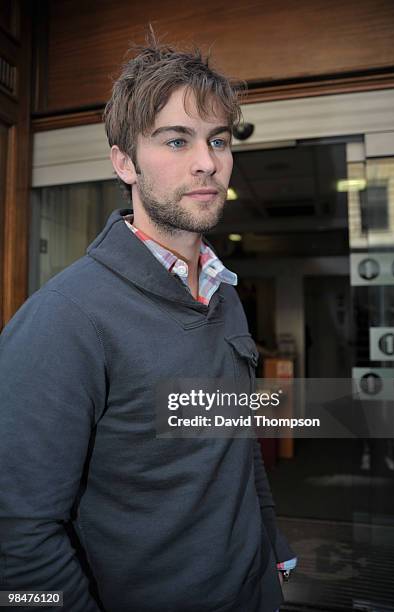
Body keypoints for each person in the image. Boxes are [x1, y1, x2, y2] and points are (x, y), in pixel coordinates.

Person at [0, 32, 296, 612]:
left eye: (218, 139)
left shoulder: (224, 293)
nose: (207, 161)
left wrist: (271, 547)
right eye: (176, 140)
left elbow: (234, 450)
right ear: (124, 162)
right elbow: (17, 536)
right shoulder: (64, 319)